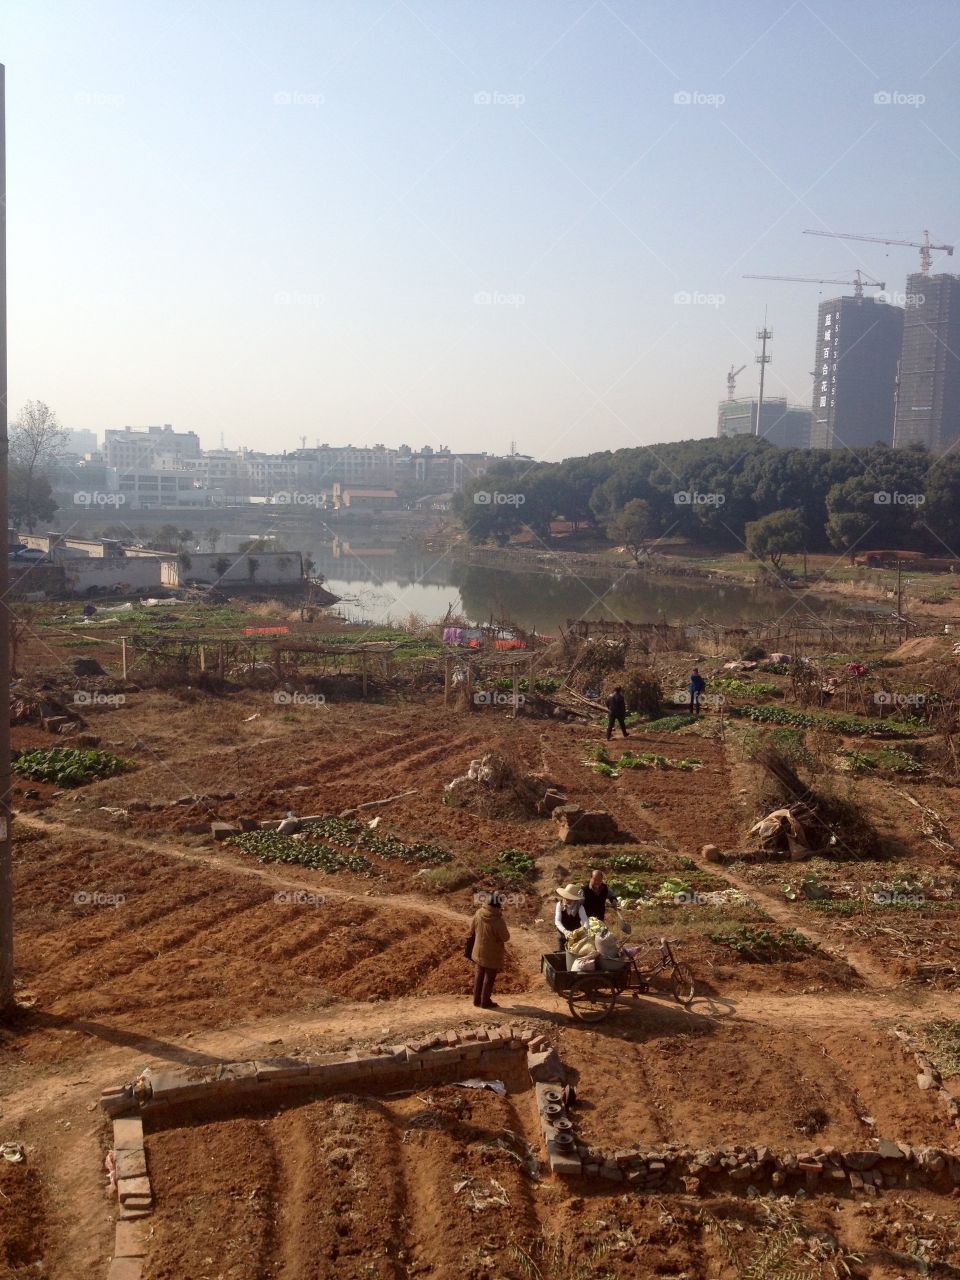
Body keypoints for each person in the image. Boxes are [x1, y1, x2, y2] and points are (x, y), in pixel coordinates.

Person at [469, 891, 510, 1010]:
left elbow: (471, 929)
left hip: (478, 951)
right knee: (489, 976)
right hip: (492, 953)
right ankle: (485, 1001)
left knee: (479, 973)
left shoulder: (478, 913)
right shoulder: (498, 921)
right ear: (498, 906)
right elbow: (506, 937)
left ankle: (476, 1000)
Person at [555, 883, 588, 952]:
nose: (567, 899)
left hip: (575, 936)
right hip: (562, 934)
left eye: (569, 898)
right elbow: (557, 921)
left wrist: (584, 930)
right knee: (561, 954)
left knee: (573, 953)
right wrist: (565, 932)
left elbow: (585, 921)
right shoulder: (560, 905)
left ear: (574, 898)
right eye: (566, 897)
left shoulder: (580, 907)